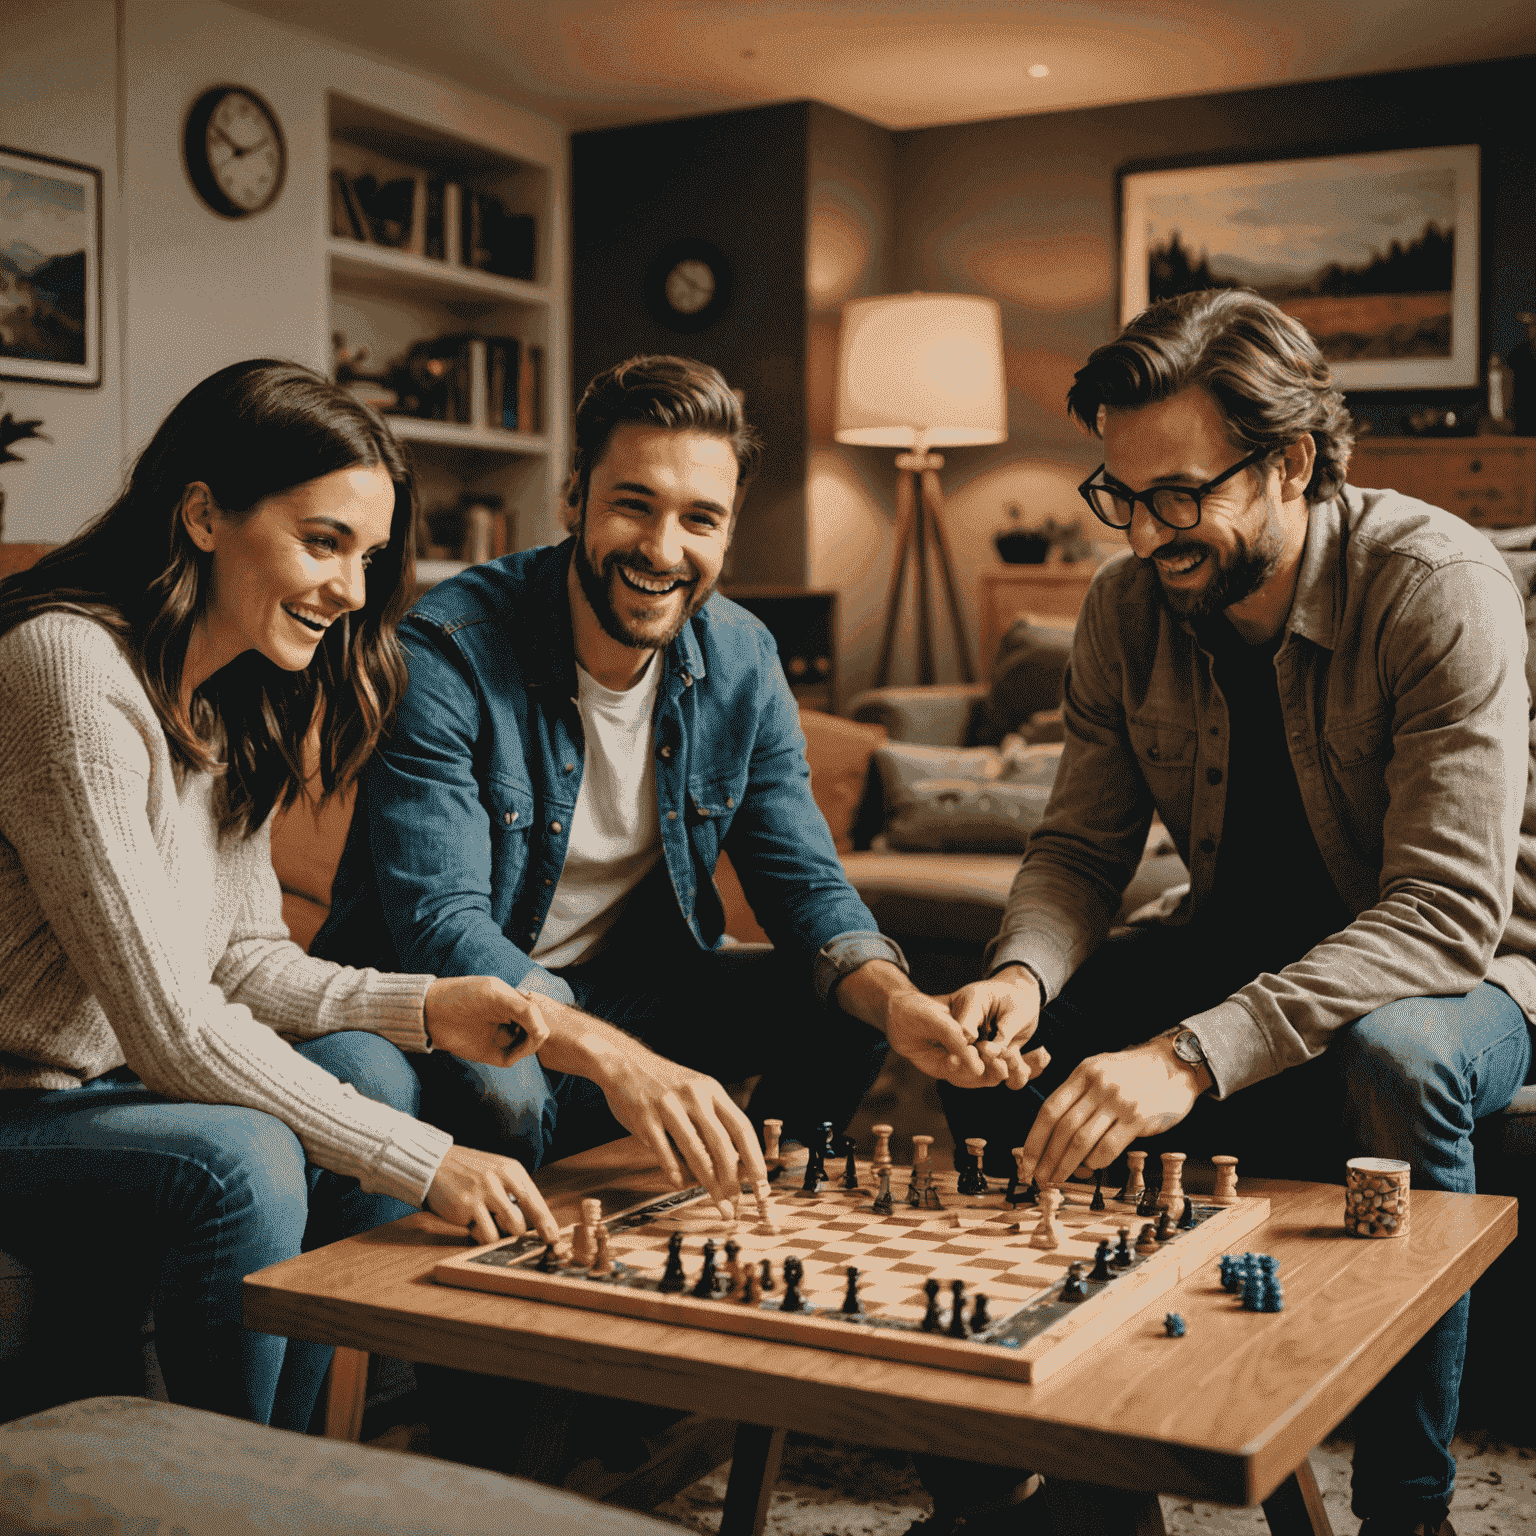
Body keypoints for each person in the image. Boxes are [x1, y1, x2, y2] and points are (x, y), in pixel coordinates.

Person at [917, 288, 1536, 1536]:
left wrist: (1190, 1056)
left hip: (1474, 969)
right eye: (1121, 496)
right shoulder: (1124, 607)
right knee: (993, 1058)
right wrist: (1024, 979)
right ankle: (1067, 1491)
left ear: (1292, 460)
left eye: (1179, 494)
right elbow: (1080, 851)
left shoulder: (1437, 584)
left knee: (1397, 1058)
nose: (1146, 534)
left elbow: (1444, 912)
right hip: (1237, 945)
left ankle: (1407, 1512)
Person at [0, 359, 560, 1431]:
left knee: (367, 1065)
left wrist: (426, 1007)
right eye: (323, 541)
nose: (353, 590)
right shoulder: (67, 672)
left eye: (370, 555)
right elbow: (171, 1025)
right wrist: (428, 1162)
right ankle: (234, 1490)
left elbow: (248, 959)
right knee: (243, 1157)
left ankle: (294, 1464)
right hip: (21, 1101)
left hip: (104, 1087)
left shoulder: (227, 697)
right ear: (205, 516)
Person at [313, 354, 977, 1211]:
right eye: (634, 504)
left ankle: (742, 1217)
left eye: (700, 519)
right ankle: (510, 1300)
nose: (664, 550)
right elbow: (443, 929)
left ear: (728, 532)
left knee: (851, 1007)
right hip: (451, 1010)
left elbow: (805, 887)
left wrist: (900, 1004)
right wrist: (624, 1064)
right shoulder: (447, 653)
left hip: (631, 992)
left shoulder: (743, 660)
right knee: (504, 1086)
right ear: (573, 498)